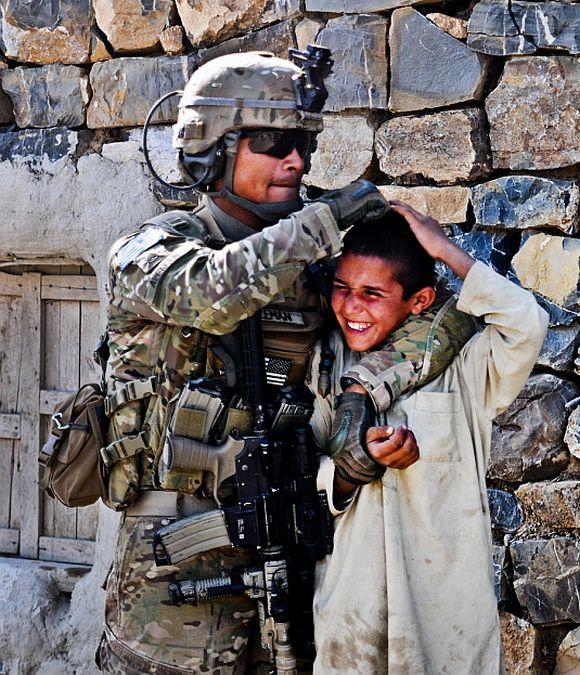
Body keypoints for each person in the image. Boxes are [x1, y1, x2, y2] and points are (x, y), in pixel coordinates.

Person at [96, 48, 474, 674]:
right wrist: (328, 221)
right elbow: (215, 294)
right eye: (273, 142)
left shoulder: (319, 263)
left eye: (302, 142)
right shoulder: (150, 252)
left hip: (295, 567)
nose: (296, 160)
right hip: (170, 591)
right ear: (212, 146)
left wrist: (361, 391)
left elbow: (444, 315)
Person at [308, 203, 548, 675]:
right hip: (350, 617)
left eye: (373, 293)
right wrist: (353, 470)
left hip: (444, 620)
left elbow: (527, 323)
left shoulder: (468, 369)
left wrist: (446, 250)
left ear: (419, 300)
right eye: (342, 288)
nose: (352, 307)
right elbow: (312, 482)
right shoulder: (326, 366)